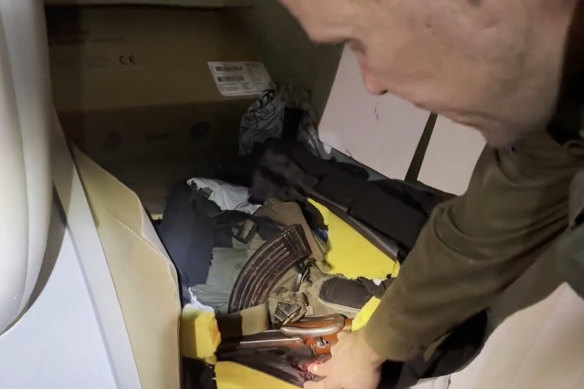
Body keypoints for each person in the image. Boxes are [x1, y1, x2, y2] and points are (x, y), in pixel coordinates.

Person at [277, 1, 584, 388]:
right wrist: (370, 346)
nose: (373, 83)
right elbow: (486, 224)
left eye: (364, 40)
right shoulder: (557, 111)